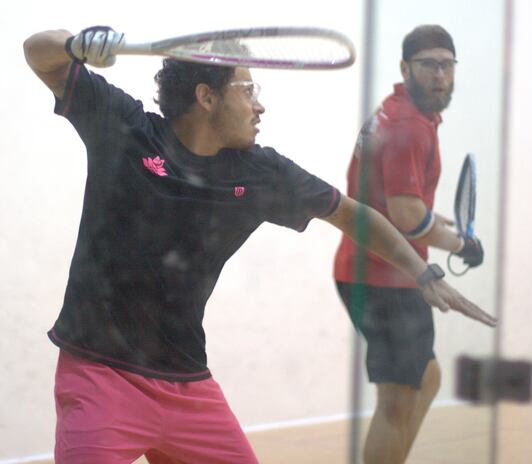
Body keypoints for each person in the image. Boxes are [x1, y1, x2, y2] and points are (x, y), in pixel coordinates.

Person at [23, 25, 495, 464]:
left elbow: (353, 215)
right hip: (100, 377)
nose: (259, 105)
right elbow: (37, 53)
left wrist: (422, 271)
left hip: (187, 385)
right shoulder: (126, 129)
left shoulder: (260, 172)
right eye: (247, 90)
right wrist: (73, 44)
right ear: (207, 97)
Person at [334, 25, 487, 464]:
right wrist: (461, 246)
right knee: (397, 400)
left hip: (374, 270)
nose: (439, 75)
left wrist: (435, 224)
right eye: (428, 65)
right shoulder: (409, 125)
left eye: (446, 65)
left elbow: (396, 201)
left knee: (429, 377)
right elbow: (404, 216)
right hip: (387, 277)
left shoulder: (396, 112)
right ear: (406, 68)